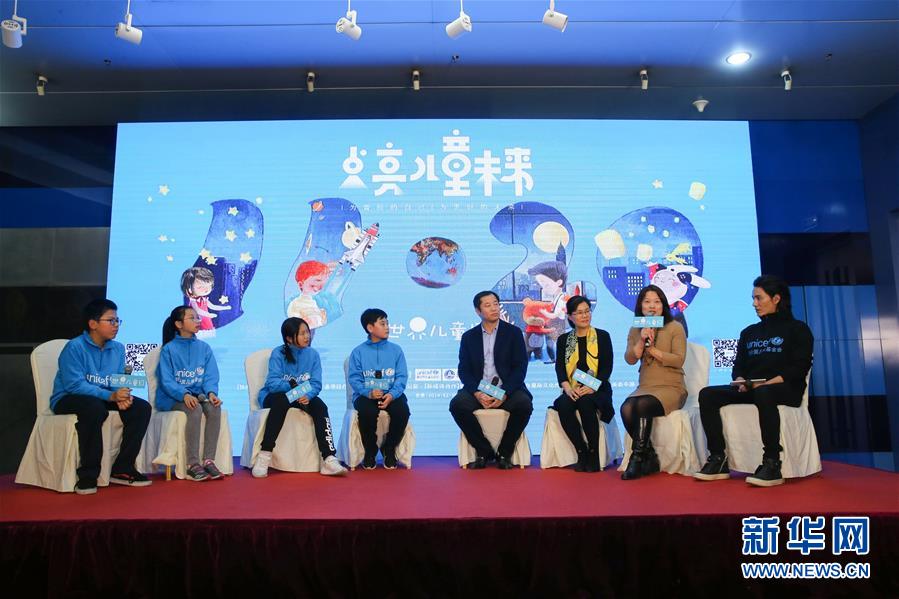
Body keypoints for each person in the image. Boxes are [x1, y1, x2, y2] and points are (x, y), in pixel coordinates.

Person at [694, 275, 813, 487]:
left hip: (784, 388)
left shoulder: (798, 329)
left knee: (763, 393)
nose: (754, 303)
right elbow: (738, 366)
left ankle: (772, 463)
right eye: (753, 298)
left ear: (776, 299)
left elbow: (799, 367)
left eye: (759, 298)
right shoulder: (749, 332)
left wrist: (767, 384)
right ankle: (718, 458)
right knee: (708, 394)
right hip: (753, 388)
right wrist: (740, 380)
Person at [49, 299, 152, 494]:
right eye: (111, 321)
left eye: (117, 321)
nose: (116, 325)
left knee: (141, 408)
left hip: (102, 397)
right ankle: (88, 474)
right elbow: (74, 385)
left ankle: (123, 467)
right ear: (93, 323)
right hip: (68, 397)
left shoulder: (118, 348)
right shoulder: (74, 347)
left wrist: (121, 396)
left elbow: (117, 379)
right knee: (94, 409)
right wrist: (110, 396)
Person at [251, 317, 347, 477]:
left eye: (307, 332)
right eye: (302, 333)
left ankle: (329, 458)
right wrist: (295, 388)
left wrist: (307, 395)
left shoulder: (313, 354)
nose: (307, 336)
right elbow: (273, 384)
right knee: (282, 401)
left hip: (302, 395)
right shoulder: (278, 353)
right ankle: (265, 455)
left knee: (320, 406)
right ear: (289, 338)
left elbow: (316, 383)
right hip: (274, 396)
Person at [450, 291, 533, 469]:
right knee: (457, 405)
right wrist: (477, 393)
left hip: (506, 388)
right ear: (478, 311)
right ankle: (483, 451)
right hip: (479, 389)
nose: (494, 308)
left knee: (524, 405)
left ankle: (504, 452)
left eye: (496, 303)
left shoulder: (513, 333)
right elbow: (464, 370)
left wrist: (504, 393)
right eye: (487, 305)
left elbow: (520, 368)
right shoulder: (469, 337)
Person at [621, 285, 687, 480]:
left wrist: (653, 351)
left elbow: (679, 360)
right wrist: (642, 341)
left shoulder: (675, 327)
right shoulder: (636, 329)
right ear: (640, 306)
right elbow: (630, 359)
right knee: (626, 408)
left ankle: (637, 459)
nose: (652, 306)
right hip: (645, 386)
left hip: (671, 387)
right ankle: (649, 455)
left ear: (663, 305)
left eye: (657, 302)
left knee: (642, 405)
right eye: (647, 302)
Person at [157, 305, 225, 482]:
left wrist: (211, 393)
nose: (197, 321)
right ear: (179, 324)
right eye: (192, 318)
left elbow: (210, 376)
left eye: (197, 317)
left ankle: (209, 460)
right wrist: (184, 394)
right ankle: (192, 464)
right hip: (173, 398)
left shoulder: (204, 348)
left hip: (198, 395)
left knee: (214, 408)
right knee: (194, 409)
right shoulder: (168, 349)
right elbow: (166, 381)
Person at [552, 295, 614, 472]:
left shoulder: (602, 336)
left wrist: (592, 386)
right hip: (573, 388)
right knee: (564, 404)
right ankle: (582, 451)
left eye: (587, 311)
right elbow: (560, 368)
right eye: (579, 313)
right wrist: (567, 388)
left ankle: (594, 453)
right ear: (570, 317)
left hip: (598, 388)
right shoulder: (564, 340)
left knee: (586, 402)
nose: (585, 315)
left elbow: (606, 368)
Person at [347, 308, 411, 469]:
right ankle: (370, 452)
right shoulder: (358, 352)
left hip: (391, 394)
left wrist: (392, 395)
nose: (387, 327)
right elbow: (354, 379)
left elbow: (401, 377)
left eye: (387, 323)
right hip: (366, 395)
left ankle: (389, 449)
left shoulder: (396, 350)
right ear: (370, 328)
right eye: (382, 324)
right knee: (367, 412)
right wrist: (368, 393)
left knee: (402, 411)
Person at [181, 266, 230, 336]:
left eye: (209, 286)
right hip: (198, 322)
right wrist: (208, 314)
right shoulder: (193, 300)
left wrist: (225, 307)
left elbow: (213, 306)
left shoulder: (204, 299)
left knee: (209, 333)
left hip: (207, 320)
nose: (206, 290)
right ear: (189, 288)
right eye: (200, 287)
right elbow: (197, 311)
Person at [287, 260, 331, 329]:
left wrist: (321, 318)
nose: (321, 286)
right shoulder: (295, 304)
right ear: (301, 284)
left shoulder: (314, 302)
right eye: (318, 280)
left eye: (324, 282)